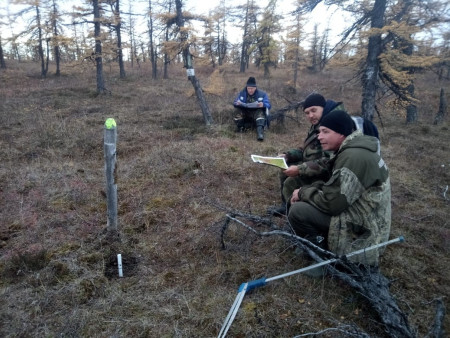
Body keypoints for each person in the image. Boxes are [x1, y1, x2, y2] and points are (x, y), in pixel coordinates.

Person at [288, 110, 391, 267]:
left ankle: (321, 256)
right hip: (369, 218)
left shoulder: (352, 157)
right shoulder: (354, 150)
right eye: (319, 131)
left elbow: (332, 204)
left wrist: (302, 192)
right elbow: (336, 187)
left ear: (342, 133)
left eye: (325, 132)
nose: (319, 136)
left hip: (364, 232)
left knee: (298, 211)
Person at [268, 93, 344, 216]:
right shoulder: (318, 125)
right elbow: (306, 150)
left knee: (291, 182)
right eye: (307, 113)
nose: (311, 115)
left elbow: (329, 162)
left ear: (323, 107)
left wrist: (300, 169)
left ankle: (294, 215)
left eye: (314, 110)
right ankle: (286, 206)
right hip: (314, 167)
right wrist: (288, 155)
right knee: (285, 166)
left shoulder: (331, 126)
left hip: (328, 175)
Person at [233, 77, 271, 141]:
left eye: (252, 88)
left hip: (256, 113)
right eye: (249, 88)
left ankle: (260, 134)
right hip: (245, 112)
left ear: (255, 88)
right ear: (246, 88)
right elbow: (235, 102)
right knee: (237, 111)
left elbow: (268, 105)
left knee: (260, 113)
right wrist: (237, 103)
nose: (250, 90)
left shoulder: (262, 94)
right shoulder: (242, 93)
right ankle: (240, 129)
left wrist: (263, 104)